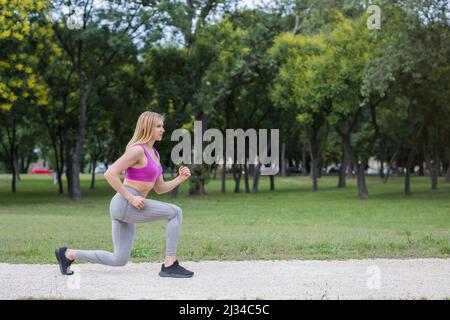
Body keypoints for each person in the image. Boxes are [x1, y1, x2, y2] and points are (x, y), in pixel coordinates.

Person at [55, 111, 194, 278]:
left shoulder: (154, 154)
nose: (163, 129)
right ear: (147, 127)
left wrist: (180, 178)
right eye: (158, 126)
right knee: (175, 212)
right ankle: (170, 264)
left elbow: (160, 188)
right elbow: (110, 173)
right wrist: (131, 197)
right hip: (125, 203)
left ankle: (68, 254)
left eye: (162, 126)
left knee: (119, 259)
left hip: (128, 206)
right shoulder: (137, 150)